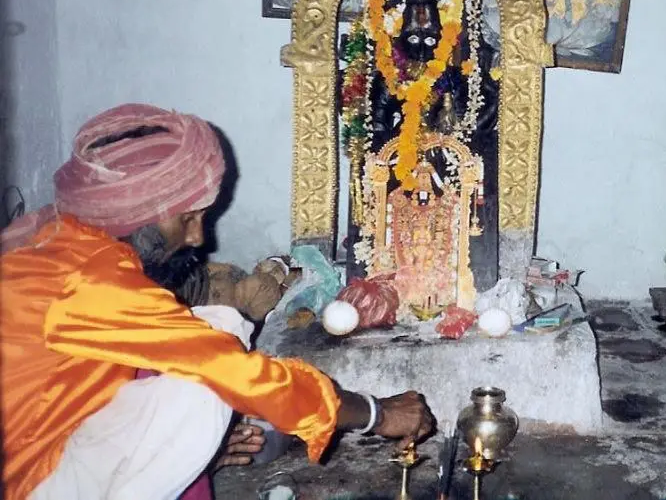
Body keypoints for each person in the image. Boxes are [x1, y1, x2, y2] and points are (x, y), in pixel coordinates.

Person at [0, 103, 436, 500]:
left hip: (55, 429)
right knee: (204, 383)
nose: (198, 238)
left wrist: (199, 449)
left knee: (217, 323)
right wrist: (376, 414)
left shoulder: (62, 233)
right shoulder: (90, 279)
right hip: (31, 480)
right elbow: (244, 376)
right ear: (136, 213)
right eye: (189, 219)